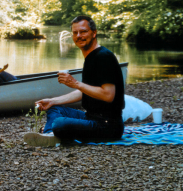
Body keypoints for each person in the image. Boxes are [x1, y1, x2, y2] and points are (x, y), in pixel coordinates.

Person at [24, 15, 125, 146]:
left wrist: (75, 83)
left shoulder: (103, 57)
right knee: (55, 109)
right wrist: (52, 101)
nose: (79, 36)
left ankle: (53, 132)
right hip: (91, 117)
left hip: (108, 125)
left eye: (83, 31)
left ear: (94, 33)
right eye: (75, 32)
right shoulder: (91, 57)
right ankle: (49, 135)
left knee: (59, 124)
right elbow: (87, 91)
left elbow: (108, 95)